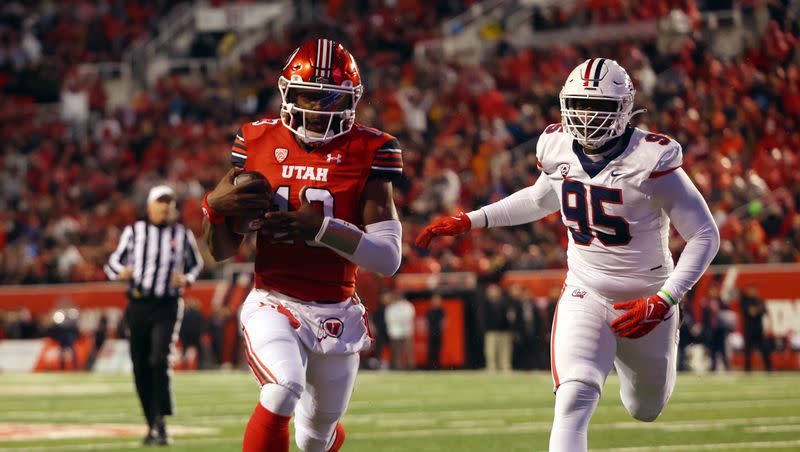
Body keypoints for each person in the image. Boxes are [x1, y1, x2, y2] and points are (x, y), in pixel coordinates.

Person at [416, 58, 720, 451]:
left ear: (625, 109)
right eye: (580, 104)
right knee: (573, 398)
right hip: (586, 292)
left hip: (647, 299)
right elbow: (540, 198)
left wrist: (665, 299)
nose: (588, 115)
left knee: (645, 408)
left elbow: (704, 234)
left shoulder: (651, 159)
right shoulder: (557, 145)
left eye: (600, 107)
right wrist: (472, 220)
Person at [201, 39, 403, 452]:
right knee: (282, 388)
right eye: (308, 95)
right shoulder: (256, 141)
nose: (316, 108)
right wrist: (213, 208)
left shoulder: (372, 149)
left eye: (330, 98)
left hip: (336, 307)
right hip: (274, 298)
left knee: (315, 438)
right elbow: (220, 251)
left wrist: (324, 229)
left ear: (351, 101)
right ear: (287, 92)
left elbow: (388, 259)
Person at [105, 184, 204, 446]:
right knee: (140, 366)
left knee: (159, 359)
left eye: (169, 203)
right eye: (160, 203)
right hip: (138, 305)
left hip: (167, 305)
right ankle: (152, 423)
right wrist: (120, 273)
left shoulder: (182, 234)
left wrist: (187, 278)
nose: (164, 208)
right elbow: (113, 262)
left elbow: (196, 265)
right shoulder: (134, 232)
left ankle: (161, 418)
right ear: (149, 206)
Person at [481, 283, 515, 373]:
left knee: (505, 351)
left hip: (504, 330)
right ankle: (491, 367)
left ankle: (505, 367)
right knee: (490, 351)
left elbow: (510, 316)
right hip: (491, 331)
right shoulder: (485, 303)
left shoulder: (505, 302)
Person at [740, 284, 771, 371]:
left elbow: (764, 310)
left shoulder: (759, 300)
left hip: (759, 330)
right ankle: (747, 369)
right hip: (749, 330)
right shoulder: (745, 301)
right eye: (750, 290)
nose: (752, 292)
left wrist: (756, 309)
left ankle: (769, 368)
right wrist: (758, 309)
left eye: (753, 290)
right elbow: (751, 312)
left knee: (765, 350)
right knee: (748, 352)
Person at [384, 290, 415, 370]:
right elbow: (389, 319)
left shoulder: (408, 306)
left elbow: (409, 317)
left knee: (407, 351)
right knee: (396, 353)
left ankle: (410, 368)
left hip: (406, 331)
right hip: (395, 332)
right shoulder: (392, 307)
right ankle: (398, 368)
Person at [426, 294, 446, 369]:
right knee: (431, 351)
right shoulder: (430, 311)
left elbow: (442, 323)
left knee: (438, 351)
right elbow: (428, 322)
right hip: (431, 333)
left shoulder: (441, 311)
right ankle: (430, 366)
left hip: (438, 333)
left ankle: (437, 366)